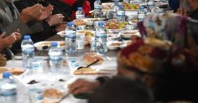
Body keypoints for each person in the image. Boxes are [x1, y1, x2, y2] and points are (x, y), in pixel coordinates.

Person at [69, 38, 198, 102]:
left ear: (147, 79)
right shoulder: (164, 83)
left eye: (120, 73)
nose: (116, 77)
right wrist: (98, 83)